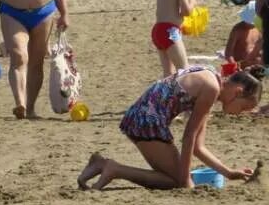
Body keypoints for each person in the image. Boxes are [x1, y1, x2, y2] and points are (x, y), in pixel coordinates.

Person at [77, 66, 261, 191]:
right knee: (174, 182)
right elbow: (188, 137)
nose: (240, 114)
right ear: (237, 92)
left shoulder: (211, 77)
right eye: (244, 108)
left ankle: (104, 165)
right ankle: (113, 168)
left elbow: (198, 146)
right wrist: (186, 181)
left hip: (143, 116)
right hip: (147, 121)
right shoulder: (211, 89)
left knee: (175, 178)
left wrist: (228, 172)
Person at [225, 3, 261, 70]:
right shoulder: (237, 30)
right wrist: (235, 66)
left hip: (256, 66)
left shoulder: (259, 28)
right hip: (241, 67)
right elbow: (228, 53)